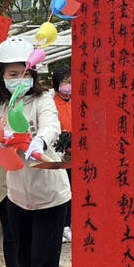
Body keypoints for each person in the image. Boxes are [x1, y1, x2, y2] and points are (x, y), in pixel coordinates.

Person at [0, 36, 71, 267]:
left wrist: (38, 143)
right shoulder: (0, 105)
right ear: (2, 74)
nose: (19, 79)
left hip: (50, 195)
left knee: (43, 266)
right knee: (24, 264)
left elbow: (51, 126)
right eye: (13, 73)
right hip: (18, 196)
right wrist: (1, 143)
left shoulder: (43, 99)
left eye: (24, 73)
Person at [51, 66, 73, 243]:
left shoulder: (76, 102)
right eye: (65, 81)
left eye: (72, 82)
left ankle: (69, 224)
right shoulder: (51, 103)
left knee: (74, 189)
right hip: (59, 153)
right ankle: (62, 225)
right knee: (61, 188)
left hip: (76, 153)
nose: (68, 86)